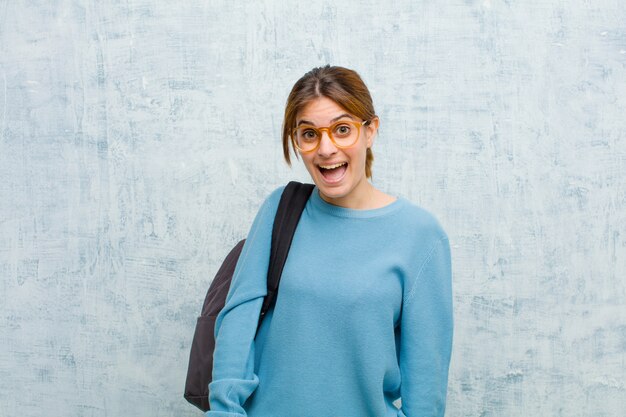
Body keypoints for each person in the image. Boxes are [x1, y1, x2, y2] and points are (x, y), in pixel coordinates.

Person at [207, 65, 453, 417]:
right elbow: (237, 324)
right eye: (309, 134)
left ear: (370, 131)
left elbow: (426, 386)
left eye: (342, 130)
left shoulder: (420, 236)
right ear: (297, 141)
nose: (326, 149)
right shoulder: (280, 209)